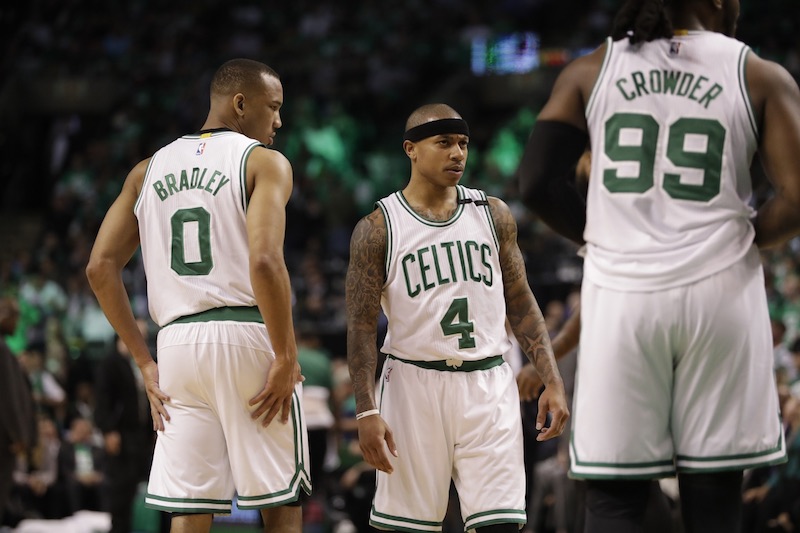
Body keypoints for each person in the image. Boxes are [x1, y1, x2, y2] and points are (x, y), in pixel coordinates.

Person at [516, 0, 800, 531]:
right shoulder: (759, 73)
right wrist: (739, 237)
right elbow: (797, 196)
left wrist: (609, 236)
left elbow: (533, 182)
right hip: (720, 296)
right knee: (714, 495)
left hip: (623, 298)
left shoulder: (591, 69)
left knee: (614, 497)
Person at [85, 58, 311, 533]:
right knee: (280, 502)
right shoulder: (263, 162)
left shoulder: (146, 170)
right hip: (247, 336)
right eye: (273, 107)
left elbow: (99, 267)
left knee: (189, 508)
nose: (278, 121)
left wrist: (144, 362)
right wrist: (286, 353)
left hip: (176, 348)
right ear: (240, 104)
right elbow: (265, 261)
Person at [346, 103, 569, 533]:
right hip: (412, 386)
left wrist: (552, 380)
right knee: (407, 528)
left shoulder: (494, 214)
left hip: (488, 383)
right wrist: (365, 410)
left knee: (501, 524)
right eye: (444, 142)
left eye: (463, 143)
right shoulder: (378, 227)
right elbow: (360, 327)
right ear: (410, 149)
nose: (457, 153)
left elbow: (522, 302)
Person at [94, 319, 159, 533]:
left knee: (151, 490)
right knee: (121, 494)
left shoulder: (146, 363)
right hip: (121, 436)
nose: (143, 338)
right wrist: (108, 430)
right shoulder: (111, 362)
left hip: (142, 436)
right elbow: (102, 400)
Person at [0, 297, 36, 526]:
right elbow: (8, 399)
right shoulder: (2, 349)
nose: (17, 324)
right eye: (15, 318)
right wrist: (18, 436)